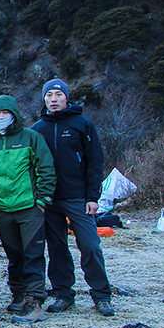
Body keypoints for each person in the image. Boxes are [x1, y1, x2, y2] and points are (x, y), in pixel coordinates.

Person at [31, 79, 114, 316]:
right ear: (44, 100)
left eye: (58, 95)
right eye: (49, 96)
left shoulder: (82, 124)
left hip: (77, 197)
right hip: (48, 199)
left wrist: (93, 196)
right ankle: (64, 294)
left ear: (67, 97)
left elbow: (95, 162)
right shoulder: (38, 129)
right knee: (57, 248)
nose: (54, 99)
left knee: (89, 245)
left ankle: (101, 295)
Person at [0, 95, 56, 323]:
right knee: (13, 254)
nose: (1, 117)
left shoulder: (31, 138)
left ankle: (35, 301)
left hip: (29, 208)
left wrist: (42, 201)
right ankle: (18, 294)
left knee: (33, 254)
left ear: (14, 114)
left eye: (5, 113)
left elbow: (45, 169)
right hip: (3, 209)